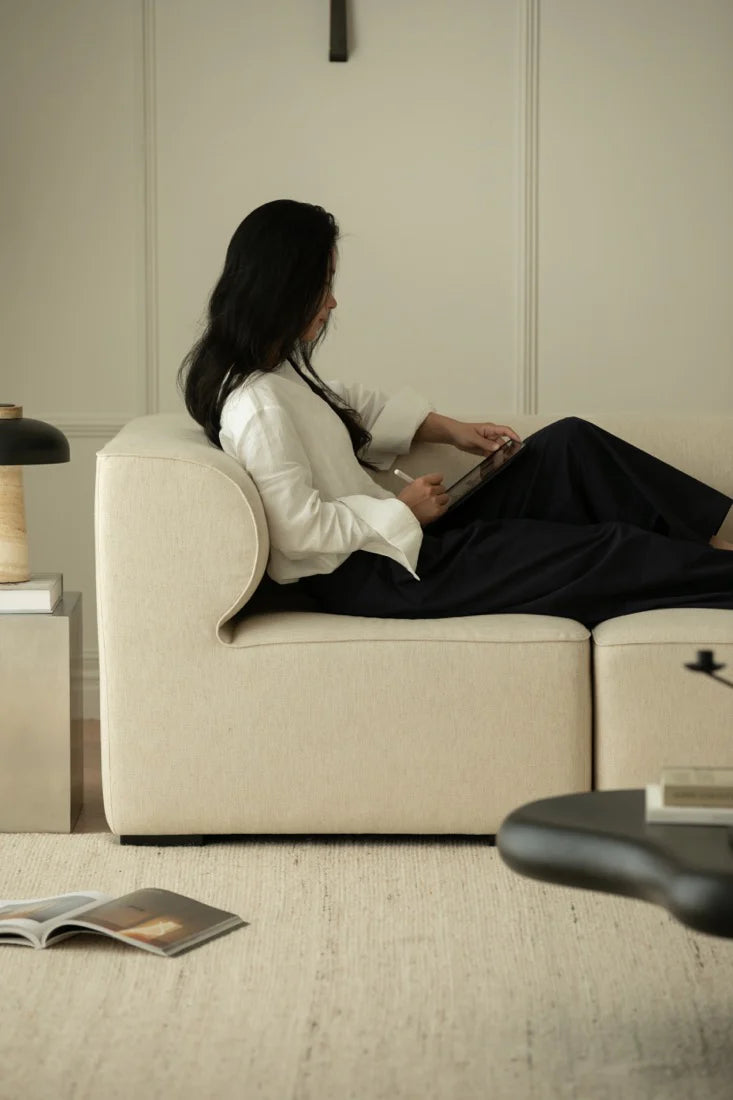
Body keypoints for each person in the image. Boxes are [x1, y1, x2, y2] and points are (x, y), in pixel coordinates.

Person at [177, 199, 733, 629]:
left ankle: (714, 537)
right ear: (282, 290)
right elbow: (299, 533)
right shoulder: (256, 406)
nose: (332, 302)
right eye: (322, 287)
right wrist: (402, 511)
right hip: (387, 574)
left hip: (402, 543)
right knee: (604, 550)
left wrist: (453, 430)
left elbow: (350, 405)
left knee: (570, 445)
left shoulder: (281, 371)